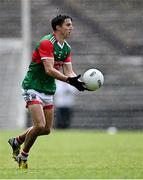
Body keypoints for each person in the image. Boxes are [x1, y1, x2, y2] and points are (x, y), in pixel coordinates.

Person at [8, 14, 86, 169]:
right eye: (68, 25)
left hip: (48, 90)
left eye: (71, 25)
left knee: (46, 130)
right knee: (39, 124)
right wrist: (68, 80)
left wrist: (78, 81)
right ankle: (23, 157)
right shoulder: (46, 43)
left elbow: (69, 71)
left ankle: (17, 141)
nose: (71, 28)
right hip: (32, 86)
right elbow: (49, 70)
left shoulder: (67, 48)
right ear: (58, 27)